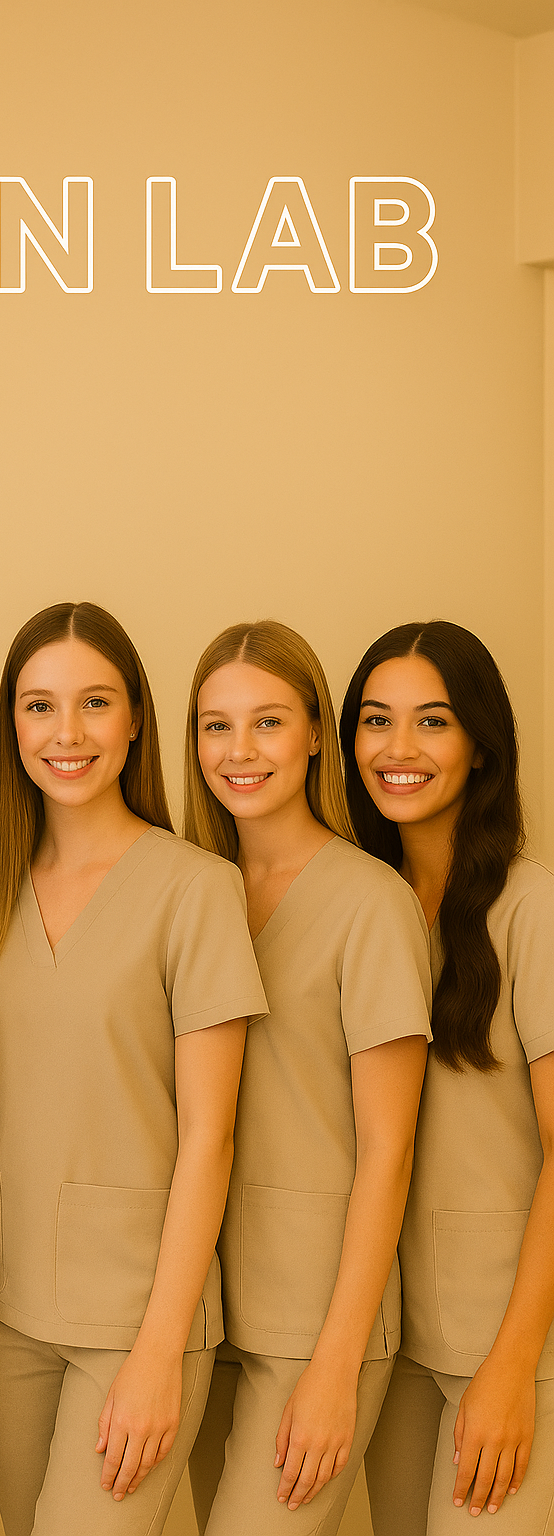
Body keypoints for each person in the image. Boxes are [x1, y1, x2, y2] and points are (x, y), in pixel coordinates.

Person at [0, 601, 267, 1536]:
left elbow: (209, 1136)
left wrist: (158, 1350)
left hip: (136, 1320)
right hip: (2, 1309)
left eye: (94, 703)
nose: (67, 734)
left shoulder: (196, 890)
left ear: (137, 719)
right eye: (39, 706)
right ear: (9, 725)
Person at [182, 620, 431, 1536]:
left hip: (314, 1323)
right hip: (202, 1316)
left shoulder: (372, 903)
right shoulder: (189, 888)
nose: (239, 752)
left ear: (318, 733)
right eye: (216, 726)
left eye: (268, 723)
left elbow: (389, 1150)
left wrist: (337, 1364)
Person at [340, 620, 554, 1534]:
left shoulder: (531, 909)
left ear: (480, 746)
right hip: (392, 1344)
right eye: (376, 721)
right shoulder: (362, 907)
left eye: (432, 722)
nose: (398, 750)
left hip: (506, 1344)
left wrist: (512, 1365)